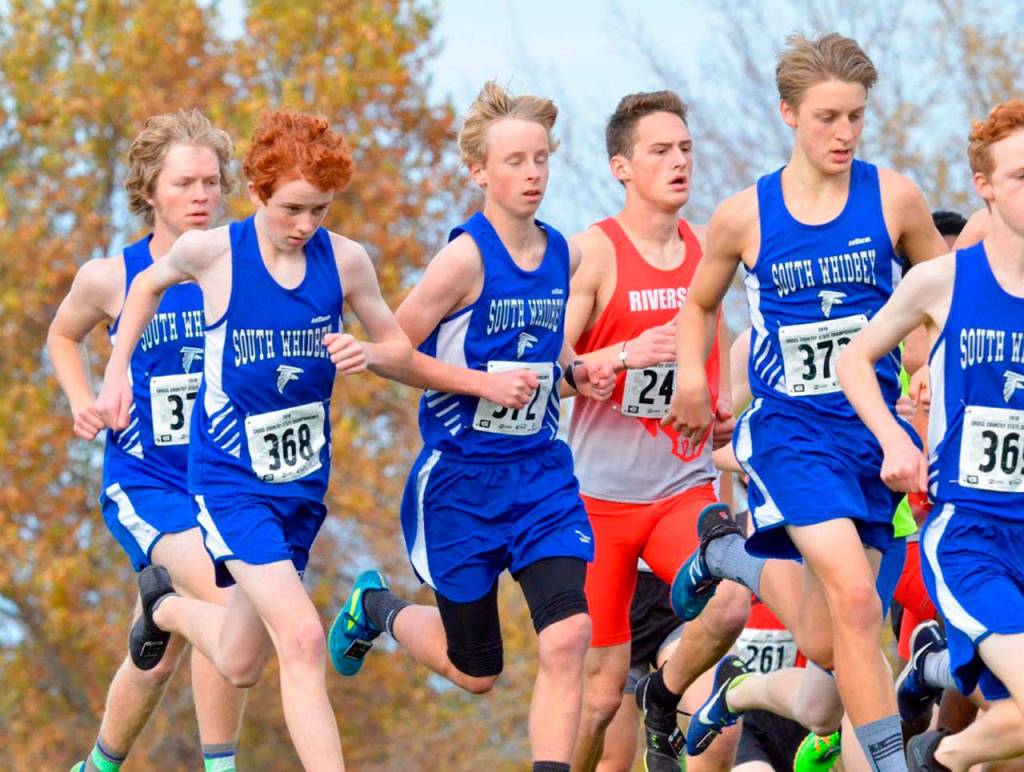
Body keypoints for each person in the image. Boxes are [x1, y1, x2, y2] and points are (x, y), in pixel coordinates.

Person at [95, 108, 413, 770]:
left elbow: (398, 342)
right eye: (292, 208)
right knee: (300, 638)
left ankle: (165, 614)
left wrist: (369, 352)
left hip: (297, 489)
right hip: (228, 484)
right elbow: (145, 288)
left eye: (319, 210)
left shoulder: (347, 261)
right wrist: (117, 370)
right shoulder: (211, 254)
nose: (305, 225)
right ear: (258, 191)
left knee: (240, 662)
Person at [664, 32, 947, 770]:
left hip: (874, 435)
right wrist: (694, 380)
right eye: (827, 117)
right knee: (856, 601)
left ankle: (730, 555)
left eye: (855, 116)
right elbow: (698, 304)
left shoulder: (895, 198)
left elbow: (950, 298)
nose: (844, 133)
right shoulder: (744, 216)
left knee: (826, 643)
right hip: (791, 434)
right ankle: (891, 763)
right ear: (789, 113)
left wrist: (930, 366)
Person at [327, 82, 615, 772]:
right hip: (460, 483)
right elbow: (392, 352)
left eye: (541, 159)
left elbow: (545, 353)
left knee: (570, 635)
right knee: (476, 670)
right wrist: (482, 384)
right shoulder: (463, 259)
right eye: (515, 161)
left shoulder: (563, 255)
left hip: (542, 476)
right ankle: (377, 609)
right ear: (479, 171)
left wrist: (578, 374)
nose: (534, 174)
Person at [47, 110, 246, 772]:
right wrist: (84, 402)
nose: (201, 196)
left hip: (221, 486)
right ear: (150, 192)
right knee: (224, 599)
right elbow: (61, 335)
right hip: (146, 485)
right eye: (185, 182)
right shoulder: (113, 276)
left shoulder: (241, 267)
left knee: (159, 655)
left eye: (212, 182)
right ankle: (223, 766)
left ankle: (97, 766)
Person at [564, 90, 748, 772]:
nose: (679, 163)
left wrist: (721, 404)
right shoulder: (594, 253)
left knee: (731, 601)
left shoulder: (707, 248)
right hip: (598, 505)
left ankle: (664, 699)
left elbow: (712, 345)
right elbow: (547, 367)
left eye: (686, 149)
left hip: (682, 489)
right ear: (621, 166)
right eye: (660, 151)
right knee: (599, 699)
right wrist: (619, 356)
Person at [838, 99, 1024, 771]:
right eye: (1021, 177)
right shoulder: (943, 281)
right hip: (973, 533)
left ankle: (937, 761)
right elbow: (852, 359)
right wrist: (894, 438)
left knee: (1013, 728)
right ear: (986, 185)